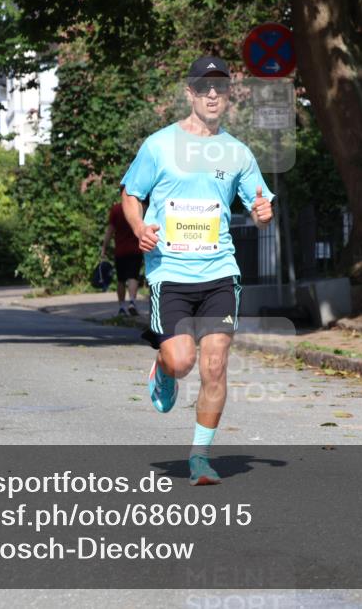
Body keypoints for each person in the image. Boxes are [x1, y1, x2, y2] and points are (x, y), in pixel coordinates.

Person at [120, 55, 274, 486]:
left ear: (228, 95)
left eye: (220, 88)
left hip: (220, 271)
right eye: (203, 88)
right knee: (182, 359)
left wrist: (263, 213)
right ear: (189, 93)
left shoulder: (238, 152)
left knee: (215, 364)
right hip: (169, 272)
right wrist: (138, 228)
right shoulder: (159, 145)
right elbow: (131, 194)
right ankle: (164, 369)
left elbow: (260, 206)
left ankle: (200, 456)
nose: (212, 94)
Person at [101, 201, 142, 316]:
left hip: (120, 250)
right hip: (135, 249)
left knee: (121, 280)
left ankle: (122, 307)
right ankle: (132, 302)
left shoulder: (116, 209)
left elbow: (110, 230)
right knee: (133, 277)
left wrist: (104, 247)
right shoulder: (138, 208)